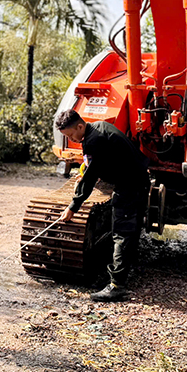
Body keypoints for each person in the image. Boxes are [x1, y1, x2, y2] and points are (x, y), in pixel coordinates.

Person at [55, 110, 149, 302]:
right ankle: (124, 271)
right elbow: (94, 166)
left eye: (71, 135)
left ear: (80, 126)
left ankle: (117, 286)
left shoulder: (93, 140)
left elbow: (90, 178)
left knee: (121, 232)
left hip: (130, 185)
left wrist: (73, 207)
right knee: (131, 229)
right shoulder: (98, 127)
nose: (72, 139)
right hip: (138, 180)